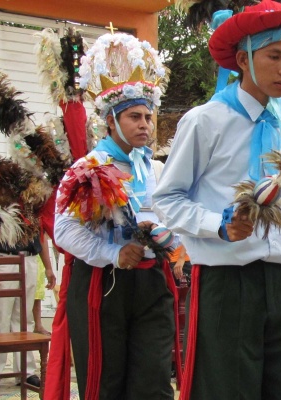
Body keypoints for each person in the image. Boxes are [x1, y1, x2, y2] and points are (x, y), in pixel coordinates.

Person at [151, 2, 281, 399]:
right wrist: (219, 226)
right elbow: (167, 198)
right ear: (243, 60)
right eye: (274, 56)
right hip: (227, 285)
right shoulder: (205, 121)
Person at [51, 32, 179, 399]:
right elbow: (64, 230)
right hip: (103, 284)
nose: (145, 124)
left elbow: (171, 216)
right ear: (111, 121)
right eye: (135, 117)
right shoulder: (86, 168)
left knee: (153, 382)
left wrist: (167, 235)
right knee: (107, 382)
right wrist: (113, 253)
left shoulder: (154, 169)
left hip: (152, 283)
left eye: (148, 117)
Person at [0, 233, 54, 389]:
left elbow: (40, 233)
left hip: (29, 258)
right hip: (2, 257)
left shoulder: (33, 208)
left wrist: (48, 267)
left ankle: (26, 371)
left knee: (25, 319)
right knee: (0, 317)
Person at [33, 232, 56, 336]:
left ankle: (38, 325)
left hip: (36, 253)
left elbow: (42, 234)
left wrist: (48, 268)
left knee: (37, 293)